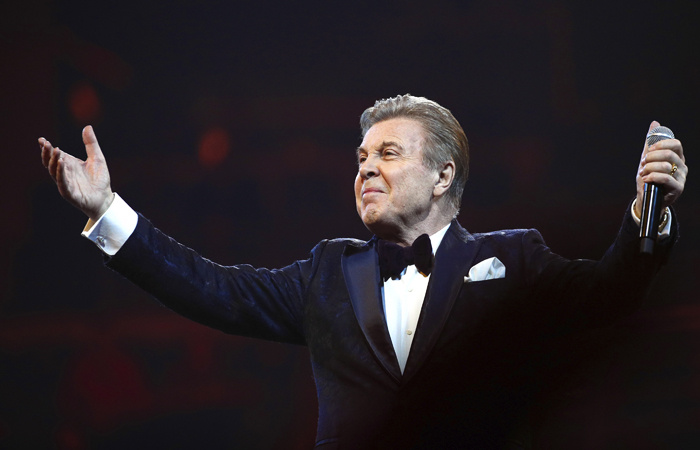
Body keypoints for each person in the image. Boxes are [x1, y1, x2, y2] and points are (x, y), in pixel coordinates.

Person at [40, 95, 687, 449]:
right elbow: (212, 289)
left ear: (442, 176)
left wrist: (649, 207)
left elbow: (612, 292)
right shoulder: (328, 270)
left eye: (388, 153)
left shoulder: (513, 259)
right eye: (360, 157)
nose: (366, 168)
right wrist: (107, 211)